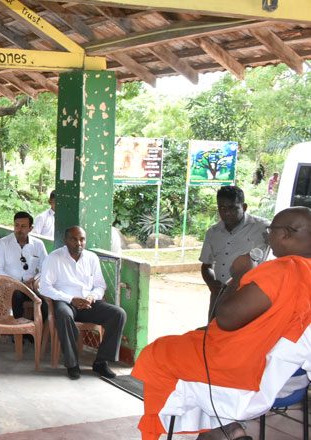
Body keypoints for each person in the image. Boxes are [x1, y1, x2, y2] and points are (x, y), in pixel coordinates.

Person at [132, 207, 311, 440]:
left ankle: (164, 432)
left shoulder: (283, 270)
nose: (268, 236)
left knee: (156, 352)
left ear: (287, 233)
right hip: (289, 379)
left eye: (271, 231)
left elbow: (226, 319)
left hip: (244, 372)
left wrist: (239, 275)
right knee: (194, 340)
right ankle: (226, 430)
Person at [40, 226, 126, 380]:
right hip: (65, 301)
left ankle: (101, 362)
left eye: (82, 239)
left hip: (87, 302)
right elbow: (44, 287)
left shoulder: (91, 257)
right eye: (74, 239)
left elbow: (100, 285)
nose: (79, 243)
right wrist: (71, 299)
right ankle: (72, 364)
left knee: (118, 314)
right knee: (64, 315)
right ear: (66, 240)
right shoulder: (54, 258)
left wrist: (92, 297)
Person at [199, 185, 270, 318]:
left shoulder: (263, 227)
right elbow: (206, 266)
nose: (227, 213)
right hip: (220, 295)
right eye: (222, 208)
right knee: (213, 333)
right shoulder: (213, 233)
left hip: (250, 296)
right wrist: (212, 284)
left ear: (244, 207)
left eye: (232, 208)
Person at [0, 211, 48, 318]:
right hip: (10, 286)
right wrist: (18, 283)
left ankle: (37, 329)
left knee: (48, 298)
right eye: (16, 225)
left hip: (32, 286)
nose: (19, 229)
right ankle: (17, 330)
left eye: (23, 226)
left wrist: (35, 279)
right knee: (16, 295)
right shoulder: (4, 243)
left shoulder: (38, 244)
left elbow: (45, 268)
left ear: (30, 228)